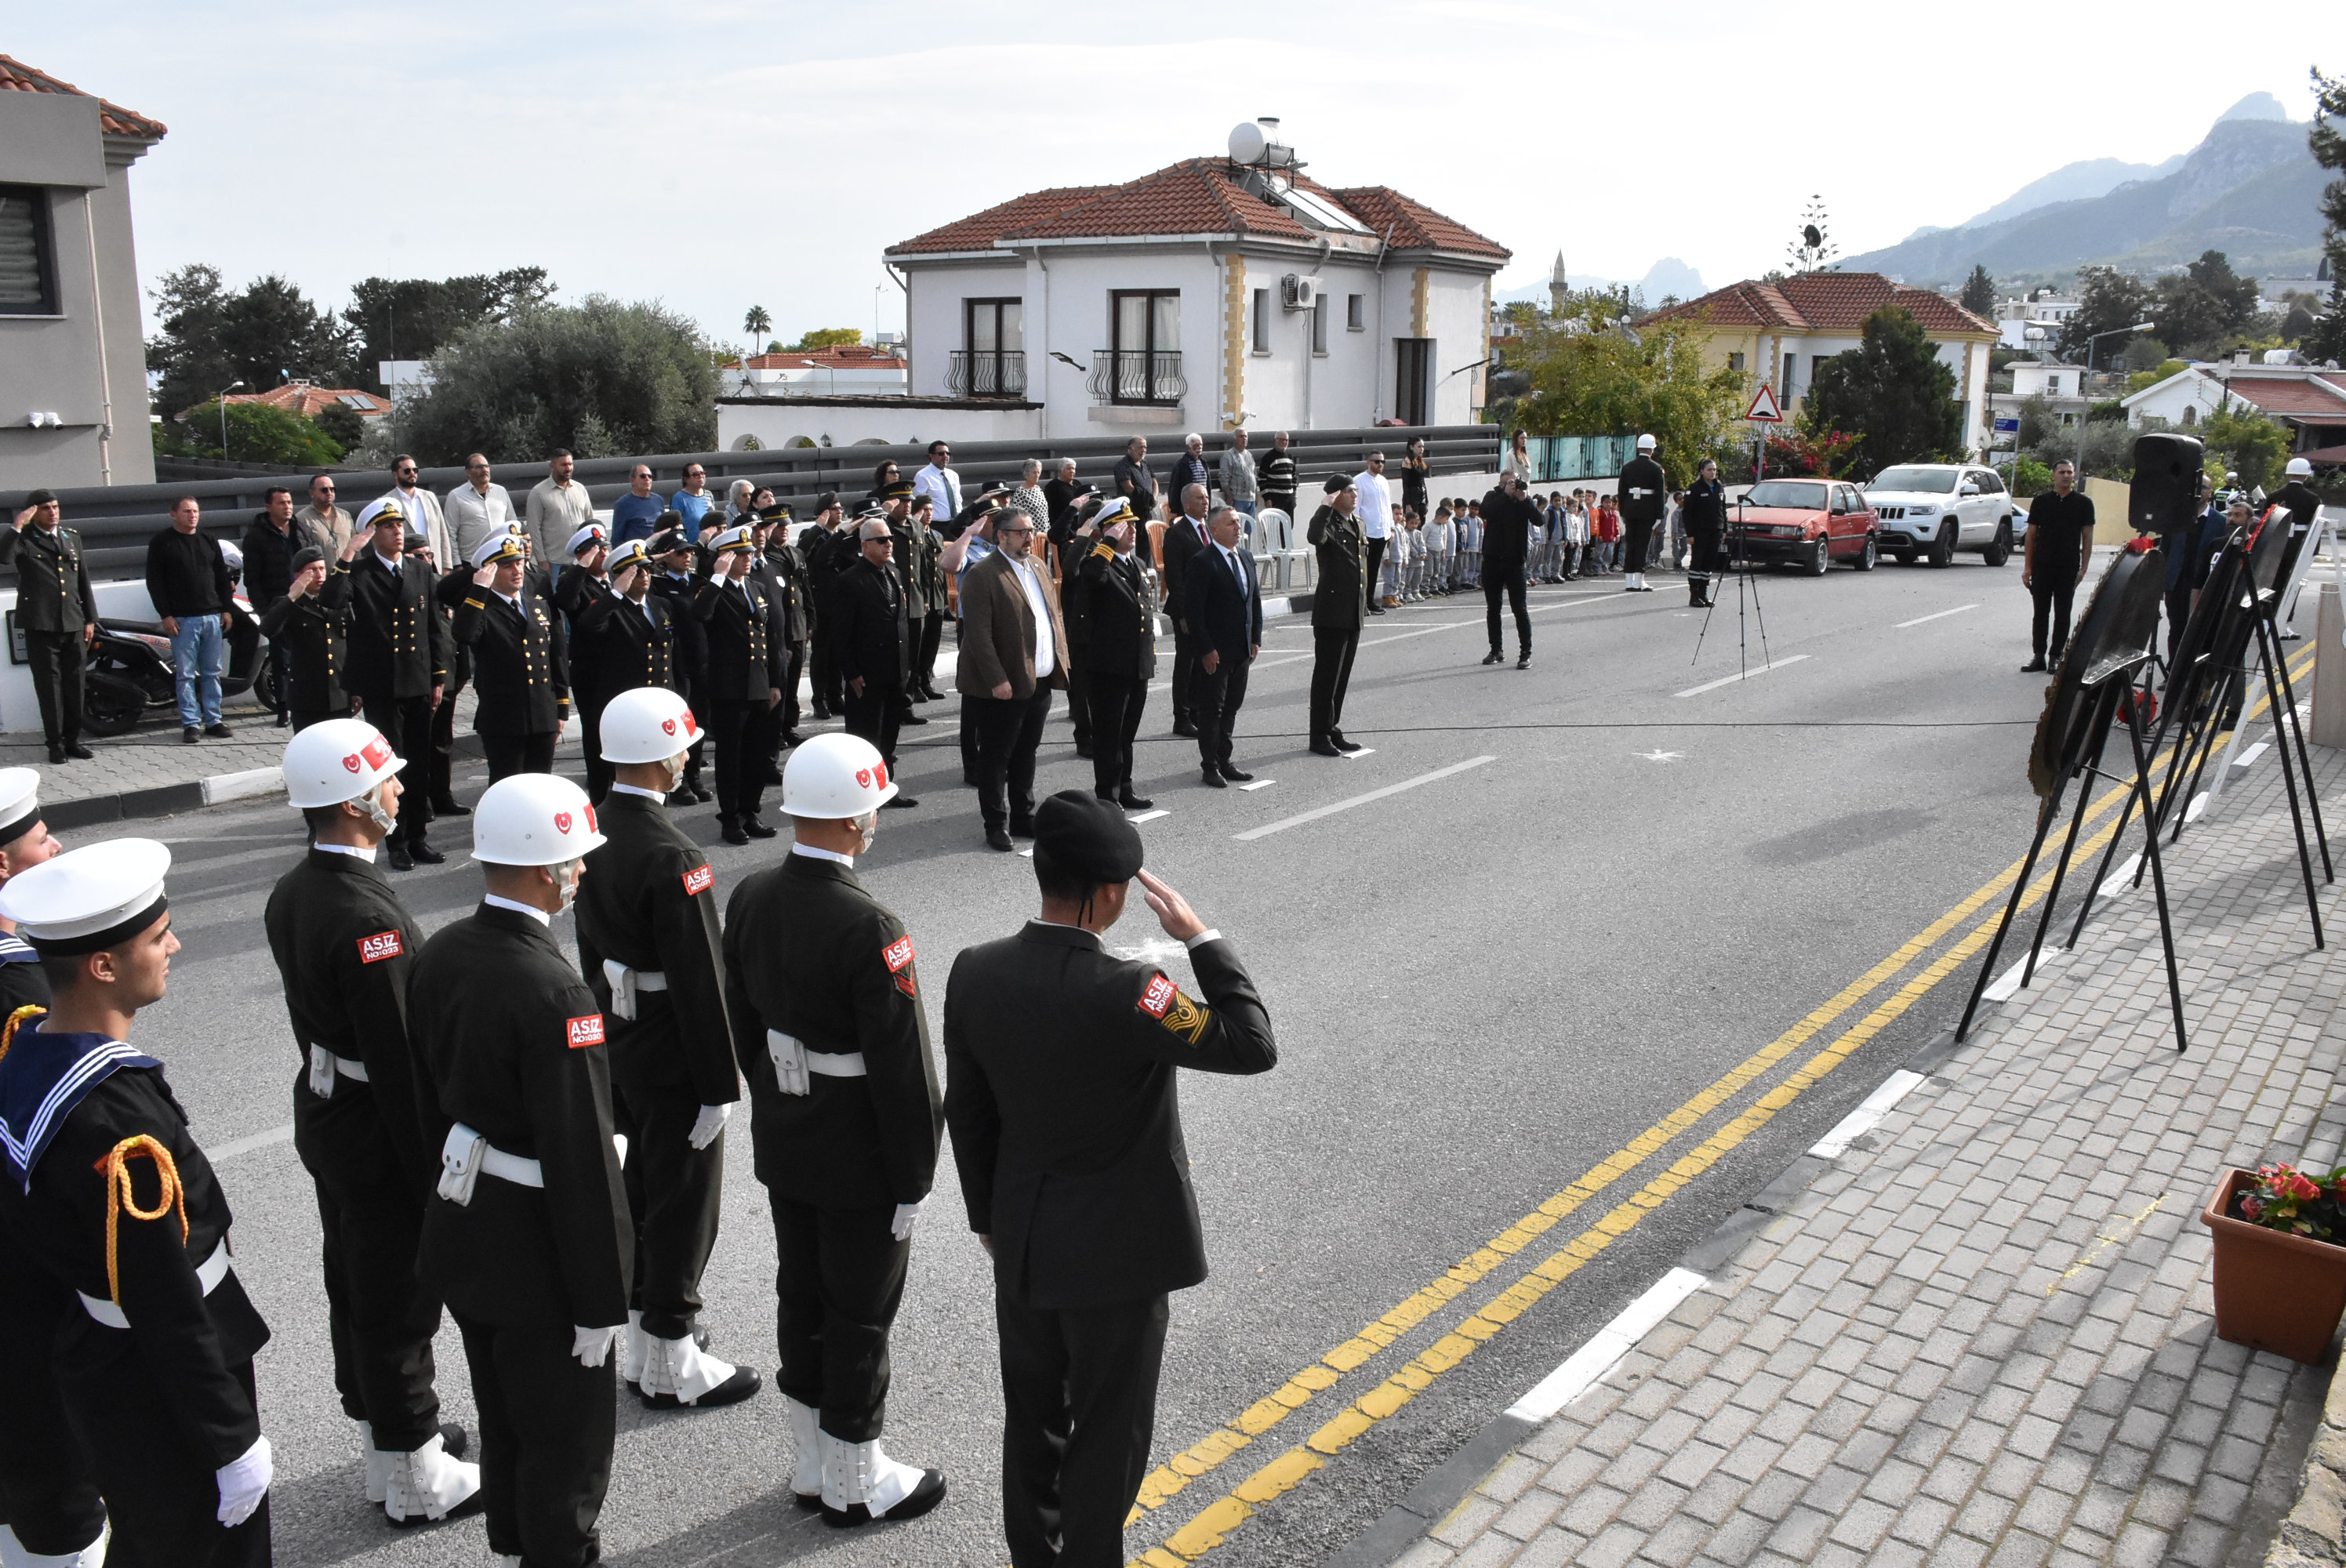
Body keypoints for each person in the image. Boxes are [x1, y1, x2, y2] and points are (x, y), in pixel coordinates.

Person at [943, 793, 1276, 1568]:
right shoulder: (1133, 990)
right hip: (1118, 1258)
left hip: (1023, 1240)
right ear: (1110, 892)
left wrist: (987, 1215)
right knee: (1109, 1430)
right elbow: (1249, 1042)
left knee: (1033, 1421)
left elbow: (969, 1108)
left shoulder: (975, 969)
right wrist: (1201, 937)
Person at [0, 838, 274, 1564]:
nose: (175, 945)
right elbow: (164, 1293)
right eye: (158, 938)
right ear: (103, 966)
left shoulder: (28, 1049)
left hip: (102, 1358)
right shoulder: (116, 1117)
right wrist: (230, 1441)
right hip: (162, 1384)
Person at [721, 734, 948, 1526]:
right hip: (859, 1147)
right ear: (856, 819)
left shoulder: (749, 894)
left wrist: (782, 1091)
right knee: (859, 1309)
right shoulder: (869, 922)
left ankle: (815, 1461)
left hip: (790, 1133)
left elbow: (742, 1019)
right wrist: (914, 1175)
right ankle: (858, 1473)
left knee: (802, 1292)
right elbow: (903, 1067)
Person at [265, 720, 483, 1525]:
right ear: (357, 802)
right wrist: (439, 1167)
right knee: (395, 1293)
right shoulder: (365, 917)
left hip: (333, 1114)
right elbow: (400, 1059)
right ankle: (415, 1466)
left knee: (353, 1281)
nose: (400, 786)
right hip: (375, 1126)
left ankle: (387, 1441)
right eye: (388, 778)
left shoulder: (298, 887)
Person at [409, 774, 628, 1568]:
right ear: (545, 870)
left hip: (468, 1225)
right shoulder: (555, 988)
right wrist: (603, 1298)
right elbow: (580, 1156)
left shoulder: (439, 951)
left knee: (504, 1417)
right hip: (540, 1250)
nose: (580, 873)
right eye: (574, 860)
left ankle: (516, 1546)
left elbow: (427, 1102)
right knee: (566, 1445)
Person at [573, 688, 761, 1414]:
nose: (690, 754)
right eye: (684, 744)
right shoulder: (672, 851)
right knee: (686, 1195)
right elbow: (701, 977)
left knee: (642, 1185)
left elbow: (589, 944)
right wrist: (720, 1083)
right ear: (662, 756)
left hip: (619, 1026)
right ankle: (673, 1350)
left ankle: (645, 1338)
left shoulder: (593, 826)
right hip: (671, 1038)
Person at [0, 769, 108, 1568]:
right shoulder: (15, 980)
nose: (56, 845)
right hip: (19, 1251)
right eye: (41, 839)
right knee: (42, 1423)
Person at [343, 499, 450, 870]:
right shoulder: (359, 572)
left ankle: (418, 836)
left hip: (419, 680)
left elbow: (435, 627)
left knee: (420, 765)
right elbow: (332, 600)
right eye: (388, 526)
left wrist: (439, 677)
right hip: (383, 684)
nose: (398, 531)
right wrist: (346, 555)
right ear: (373, 533)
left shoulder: (420, 571)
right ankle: (396, 841)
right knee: (391, 769)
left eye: (400, 525)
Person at [960, 504, 1068, 849]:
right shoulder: (983, 574)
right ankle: (996, 823)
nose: (1030, 538)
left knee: (1027, 752)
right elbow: (977, 636)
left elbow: (1052, 617)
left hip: (1038, 681)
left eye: (1032, 531)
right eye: (1022, 532)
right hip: (1001, 688)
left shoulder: (1037, 565)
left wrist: (1060, 662)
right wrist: (997, 680)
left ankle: (1023, 816)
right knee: (995, 757)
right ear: (1001, 536)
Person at [448, 532, 568, 782]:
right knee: (507, 787)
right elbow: (464, 634)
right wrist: (479, 589)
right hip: (504, 719)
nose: (517, 570)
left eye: (519, 563)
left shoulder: (536, 605)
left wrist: (561, 707)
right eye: (507, 566)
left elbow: (554, 657)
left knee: (540, 785)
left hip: (542, 714)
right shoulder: (481, 607)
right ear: (490, 572)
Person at [696, 525, 787, 844]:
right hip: (730, 688)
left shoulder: (757, 588)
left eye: (750, 552)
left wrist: (775, 682)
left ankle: (750, 811)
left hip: (760, 685)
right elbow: (701, 613)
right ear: (725, 557)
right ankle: (730, 818)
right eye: (741, 553)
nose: (749, 558)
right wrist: (717, 577)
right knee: (731, 757)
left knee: (756, 754)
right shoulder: (714, 590)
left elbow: (771, 639)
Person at [0, 490, 97, 763]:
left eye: (55, 507)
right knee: (49, 687)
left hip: (73, 623)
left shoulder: (71, 537)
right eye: (45, 508)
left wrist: (90, 619)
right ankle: (55, 744)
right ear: (33, 512)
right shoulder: (24, 539)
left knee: (75, 684)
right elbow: (4, 558)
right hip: (41, 625)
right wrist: (17, 526)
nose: (53, 512)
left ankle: (73, 740)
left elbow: (83, 581)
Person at [833, 517, 919, 813]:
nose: (888, 544)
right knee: (864, 737)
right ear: (865, 545)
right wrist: (852, 673)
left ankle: (886, 787)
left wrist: (907, 667)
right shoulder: (850, 580)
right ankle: (862, 792)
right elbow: (840, 635)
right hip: (866, 675)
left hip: (894, 671)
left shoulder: (893, 572)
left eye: (890, 539)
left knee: (889, 736)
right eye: (882, 540)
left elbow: (900, 624)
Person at [1076, 501, 1156, 808]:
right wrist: (1107, 541)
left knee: (1127, 735)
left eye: (1134, 524)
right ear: (1110, 529)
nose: (1133, 530)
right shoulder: (1097, 562)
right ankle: (1106, 797)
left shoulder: (1134, 563)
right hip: (1109, 667)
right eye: (1126, 525)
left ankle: (1125, 788)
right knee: (1108, 736)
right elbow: (1093, 577)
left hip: (1137, 664)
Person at [145, 496, 238, 744]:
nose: (192, 515)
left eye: (195, 511)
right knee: (185, 674)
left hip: (212, 618)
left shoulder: (208, 540)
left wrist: (226, 609)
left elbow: (221, 577)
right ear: (173, 514)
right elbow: (155, 582)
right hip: (182, 621)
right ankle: (190, 724)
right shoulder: (162, 543)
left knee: (212, 672)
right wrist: (165, 614)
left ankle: (214, 721)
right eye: (186, 511)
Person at [1184, 506, 1261, 788]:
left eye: (1238, 522)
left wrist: (1256, 638)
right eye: (1231, 523)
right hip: (1216, 652)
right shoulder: (1203, 562)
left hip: (1241, 649)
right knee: (1212, 710)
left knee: (1231, 707)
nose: (1237, 527)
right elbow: (1194, 611)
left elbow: (1254, 601)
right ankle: (1210, 765)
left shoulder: (1246, 557)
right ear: (1214, 529)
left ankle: (1225, 760)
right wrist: (1205, 649)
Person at [647, 529, 713, 804]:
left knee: (697, 725)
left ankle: (694, 777)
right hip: (677, 664)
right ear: (666, 557)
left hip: (702, 661)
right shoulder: (657, 585)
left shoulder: (699, 582)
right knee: (678, 729)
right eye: (680, 552)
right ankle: (678, 783)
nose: (688, 556)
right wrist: (653, 558)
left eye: (689, 552)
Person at [260, 545, 356, 731]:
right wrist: (292, 596)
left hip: (339, 695)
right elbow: (268, 628)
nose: (320, 575)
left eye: (322, 569)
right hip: (307, 697)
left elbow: (352, 646)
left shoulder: (337, 602)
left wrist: (356, 690)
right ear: (298, 576)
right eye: (312, 570)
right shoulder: (288, 604)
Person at [242, 487, 315, 727]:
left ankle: (310, 702)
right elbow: (251, 578)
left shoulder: (300, 528)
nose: (288, 507)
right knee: (281, 660)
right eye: (282, 503)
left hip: (307, 603)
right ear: (268, 507)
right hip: (278, 605)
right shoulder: (256, 536)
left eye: (290, 502)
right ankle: (284, 708)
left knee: (309, 656)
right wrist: (265, 610)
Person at [1307, 475, 1368, 757]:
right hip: (1331, 613)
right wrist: (1324, 507)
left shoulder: (1358, 523)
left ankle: (1332, 727)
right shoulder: (1329, 523)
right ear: (1335, 495)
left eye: (1356, 490)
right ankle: (1318, 735)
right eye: (1348, 491)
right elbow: (1314, 537)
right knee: (1326, 678)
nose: (1354, 495)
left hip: (1352, 612)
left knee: (1341, 677)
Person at [2022, 459, 2095, 673]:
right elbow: (2031, 535)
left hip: (2068, 566)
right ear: (2053, 475)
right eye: (2062, 472)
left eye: (2069, 472)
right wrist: (2028, 567)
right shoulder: (2041, 502)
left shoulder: (2083, 503)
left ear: (2074, 476)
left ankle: (2056, 656)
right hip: (2042, 565)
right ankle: (2038, 656)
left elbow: (2088, 537)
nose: (2066, 475)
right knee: (2040, 612)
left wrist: (2084, 568)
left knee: (2063, 612)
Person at [1161, 483, 1214, 737]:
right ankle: (1181, 717)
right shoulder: (1177, 533)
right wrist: (1183, 613)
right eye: (1199, 498)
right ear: (1187, 504)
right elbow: (1174, 577)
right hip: (1187, 610)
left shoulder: (1209, 529)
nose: (1205, 501)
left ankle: (1196, 711)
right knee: (1186, 664)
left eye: (1206, 497)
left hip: (1209, 609)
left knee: (1203, 663)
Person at [1479, 474, 1538, 668]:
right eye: (1508, 483)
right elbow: (1486, 512)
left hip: (1515, 562)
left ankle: (1525, 653)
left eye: (1514, 483)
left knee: (1520, 608)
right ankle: (1496, 650)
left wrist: (1525, 498)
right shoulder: (1492, 496)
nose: (1512, 486)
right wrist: (1505, 495)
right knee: (1493, 608)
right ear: (1501, 483)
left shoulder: (1523, 501)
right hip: (1492, 560)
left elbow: (1539, 520)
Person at [444, 454, 519, 566]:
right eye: (479, 467)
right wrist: (456, 563)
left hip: (501, 558)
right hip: (472, 561)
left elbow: (512, 524)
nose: (484, 470)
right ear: (468, 472)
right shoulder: (456, 496)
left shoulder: (501, 491)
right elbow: (450, 532)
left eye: (486, 466)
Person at [525, 449, 596, 568]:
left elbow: (590, 522)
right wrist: (541, 560)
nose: (568, 468)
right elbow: (533, 529)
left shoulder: (580, 489)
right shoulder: (538, 493)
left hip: (581, 560)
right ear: (552, 466)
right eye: (563, 465)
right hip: (555, 562)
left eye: (570, 464)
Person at [1618, 434, 1666, 593]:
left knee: (1631, 544)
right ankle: (1639, 581)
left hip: (1630, 509)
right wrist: (1660, 515)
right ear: (1652, 449)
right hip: (1647, 510)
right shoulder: (1656, 468)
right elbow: (1659, 494)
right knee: (1642, 545)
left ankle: (1629, 581)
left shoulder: (1628, 466)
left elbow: (1622, 491)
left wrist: (1623, 511)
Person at [1683, 460, 1728, 608]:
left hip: (1716, 530)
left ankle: (1703, 592)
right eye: (1709, 470)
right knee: (1698, 561)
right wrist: (1690, 534)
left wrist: (1724, 529)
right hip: (1700, 531)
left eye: (1714, 469)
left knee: (1709, 562)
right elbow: (1688, 513)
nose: (1712, 472)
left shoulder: (1719, 487)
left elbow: (1723, 509)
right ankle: (1694, 594)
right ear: (1702, 471)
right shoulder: (1694, 488)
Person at [1355, 451, 1395, 612]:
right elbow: (1356, 508)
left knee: (1374, 569)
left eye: (1383, 462)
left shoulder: (1384, 481)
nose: (1380, 465)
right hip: (1367, 532)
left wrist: (1391, 528)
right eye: (1377, 461)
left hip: (1382, 531)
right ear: (1368, 462)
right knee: (1364, 569)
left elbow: (1387, 505)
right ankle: (1361, 603)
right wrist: (1359, 530)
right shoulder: (1359, 481)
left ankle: (1370, 601)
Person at [299, 470, 356, 561]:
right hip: (321, 573)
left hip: (347, 573)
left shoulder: (345, 516)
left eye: (332, 489)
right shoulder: (302, 519)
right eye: (324, 490)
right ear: (311, 493)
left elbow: (355, 547)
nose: (329, 493)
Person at [910, 439, 963, 521]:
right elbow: (918, 503)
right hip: (936, 524)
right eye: (941, 454)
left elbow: (958, 499)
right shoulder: (923, 476)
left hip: (956, 522)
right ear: (931, 456)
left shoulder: (953, 475)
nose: (945, 456)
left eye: (948, 453)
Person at [1112, 435, 1158, 524]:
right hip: (1132, 512)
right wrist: (1147, 499)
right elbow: (1129, 488)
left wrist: (1154, 498)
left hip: (1147, 511)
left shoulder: (1145, 463)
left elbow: (1154, 482)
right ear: (1130, 448)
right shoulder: (1122, 465)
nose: (1143, 450)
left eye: (1145, 447)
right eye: (1140, 447)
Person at [1258, 430, 1298, 521]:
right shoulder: (1268, 457)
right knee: (1275, 526)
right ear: (1276, 440)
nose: (1284, 442)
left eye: (1286, 440)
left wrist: (1294, 497)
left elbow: (1294, 477)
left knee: (1288, 525)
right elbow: (1261, 479)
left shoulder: (1290, 456)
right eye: (1282, 440)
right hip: (1275, 498)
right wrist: (1267, 498)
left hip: (1289, 498)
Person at [670, 462, 717, 533]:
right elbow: (676, 526)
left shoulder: (708, 495)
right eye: (696, 474)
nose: (701, 476)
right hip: (691, 543)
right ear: (686, 479)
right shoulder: (679, 498)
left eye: (703, 473)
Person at [1170, 434, 1212, 512]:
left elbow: (1208, 487)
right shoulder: (1181, 464)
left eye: (1201, 445)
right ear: (1188, 447)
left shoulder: (1203, 463)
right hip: (1189, 506)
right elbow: (1174, 488)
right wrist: (1174, 509)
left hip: (1203, 504)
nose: (1199, 447)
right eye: (1196, 445)